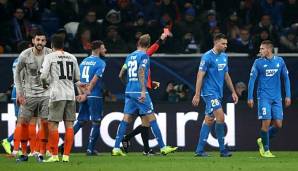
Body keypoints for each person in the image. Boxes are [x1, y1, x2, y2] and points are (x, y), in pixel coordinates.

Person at [112, 34, 177, 156]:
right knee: (152, 119)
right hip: (139, 91)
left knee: (125, 119)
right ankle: (163, 147)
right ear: (147, 45)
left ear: (138, 43)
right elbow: (141, 71)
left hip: (129, 90)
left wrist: (128, 85)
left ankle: (116, 148)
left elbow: (121, 74)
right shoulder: (144, 56)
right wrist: (142, 90)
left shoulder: (130, 56)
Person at [192, 33, 238, 157]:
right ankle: (223, 150)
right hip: (209, 92)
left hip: (218, 93)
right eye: (223, 43)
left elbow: (226, 75)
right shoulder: (207, 57)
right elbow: (200, 76)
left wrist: (233, 91)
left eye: (226, 43)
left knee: (209, 119)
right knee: (221, 117)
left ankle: (199, 150)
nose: (225, 46)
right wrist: (197, 94)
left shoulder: (224, 56)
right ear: (216, 42)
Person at [40, 34, 80, 162]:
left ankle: (54, 155)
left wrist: (45, 85)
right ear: (63, 45)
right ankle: (66, 156)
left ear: (52, 45)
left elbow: (43, 76)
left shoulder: (50, 57)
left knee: (53, 124)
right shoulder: (72, 57)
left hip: (57, 94)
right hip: (70, 95)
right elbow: (77, 78)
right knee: (69, 125)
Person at [247, 40, 291, 158]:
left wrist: (288, 95)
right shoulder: (258, 62)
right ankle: (266, 150)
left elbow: (286, 78)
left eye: (262, 49)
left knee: (278, 124)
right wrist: (250, 97)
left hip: (277, 98)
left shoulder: (280, 61)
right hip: (263, 97)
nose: (260, 51)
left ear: (268, 49)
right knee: (266, 122)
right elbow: (252, 80)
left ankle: (262, 140)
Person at [14, 31, 52, 162]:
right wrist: (20, 93)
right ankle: (24, 153)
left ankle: (41, 153)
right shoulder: (24, 55)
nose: (40, 42)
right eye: (38, 40)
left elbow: (56, 74)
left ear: (45, 42)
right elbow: (17, 75)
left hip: (46, 94)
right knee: (24, 123)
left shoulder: (50, 54)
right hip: (28, 94)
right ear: (33, 41)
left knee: (45, 123)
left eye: (42, 40)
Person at [74, 40, 107, 156]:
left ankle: (63, 146)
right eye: (103, 48)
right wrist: (87, 94)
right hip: (94, 94)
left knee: (81, 121)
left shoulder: (83, 62)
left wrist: (81, 94)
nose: (105, 50)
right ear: (98, 49)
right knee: (96, 121)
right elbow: (93, 81)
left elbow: (78, 80)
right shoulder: (101, 63)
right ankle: (90, 149)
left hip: (83, 93)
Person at [1, 41, 31, 155]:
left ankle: (17, 147)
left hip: (15, 92)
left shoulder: (16, 60)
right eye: (29, 47)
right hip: (21, 93)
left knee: (23, 122)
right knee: (24, 122)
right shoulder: (25, 61)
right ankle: (11, 143)